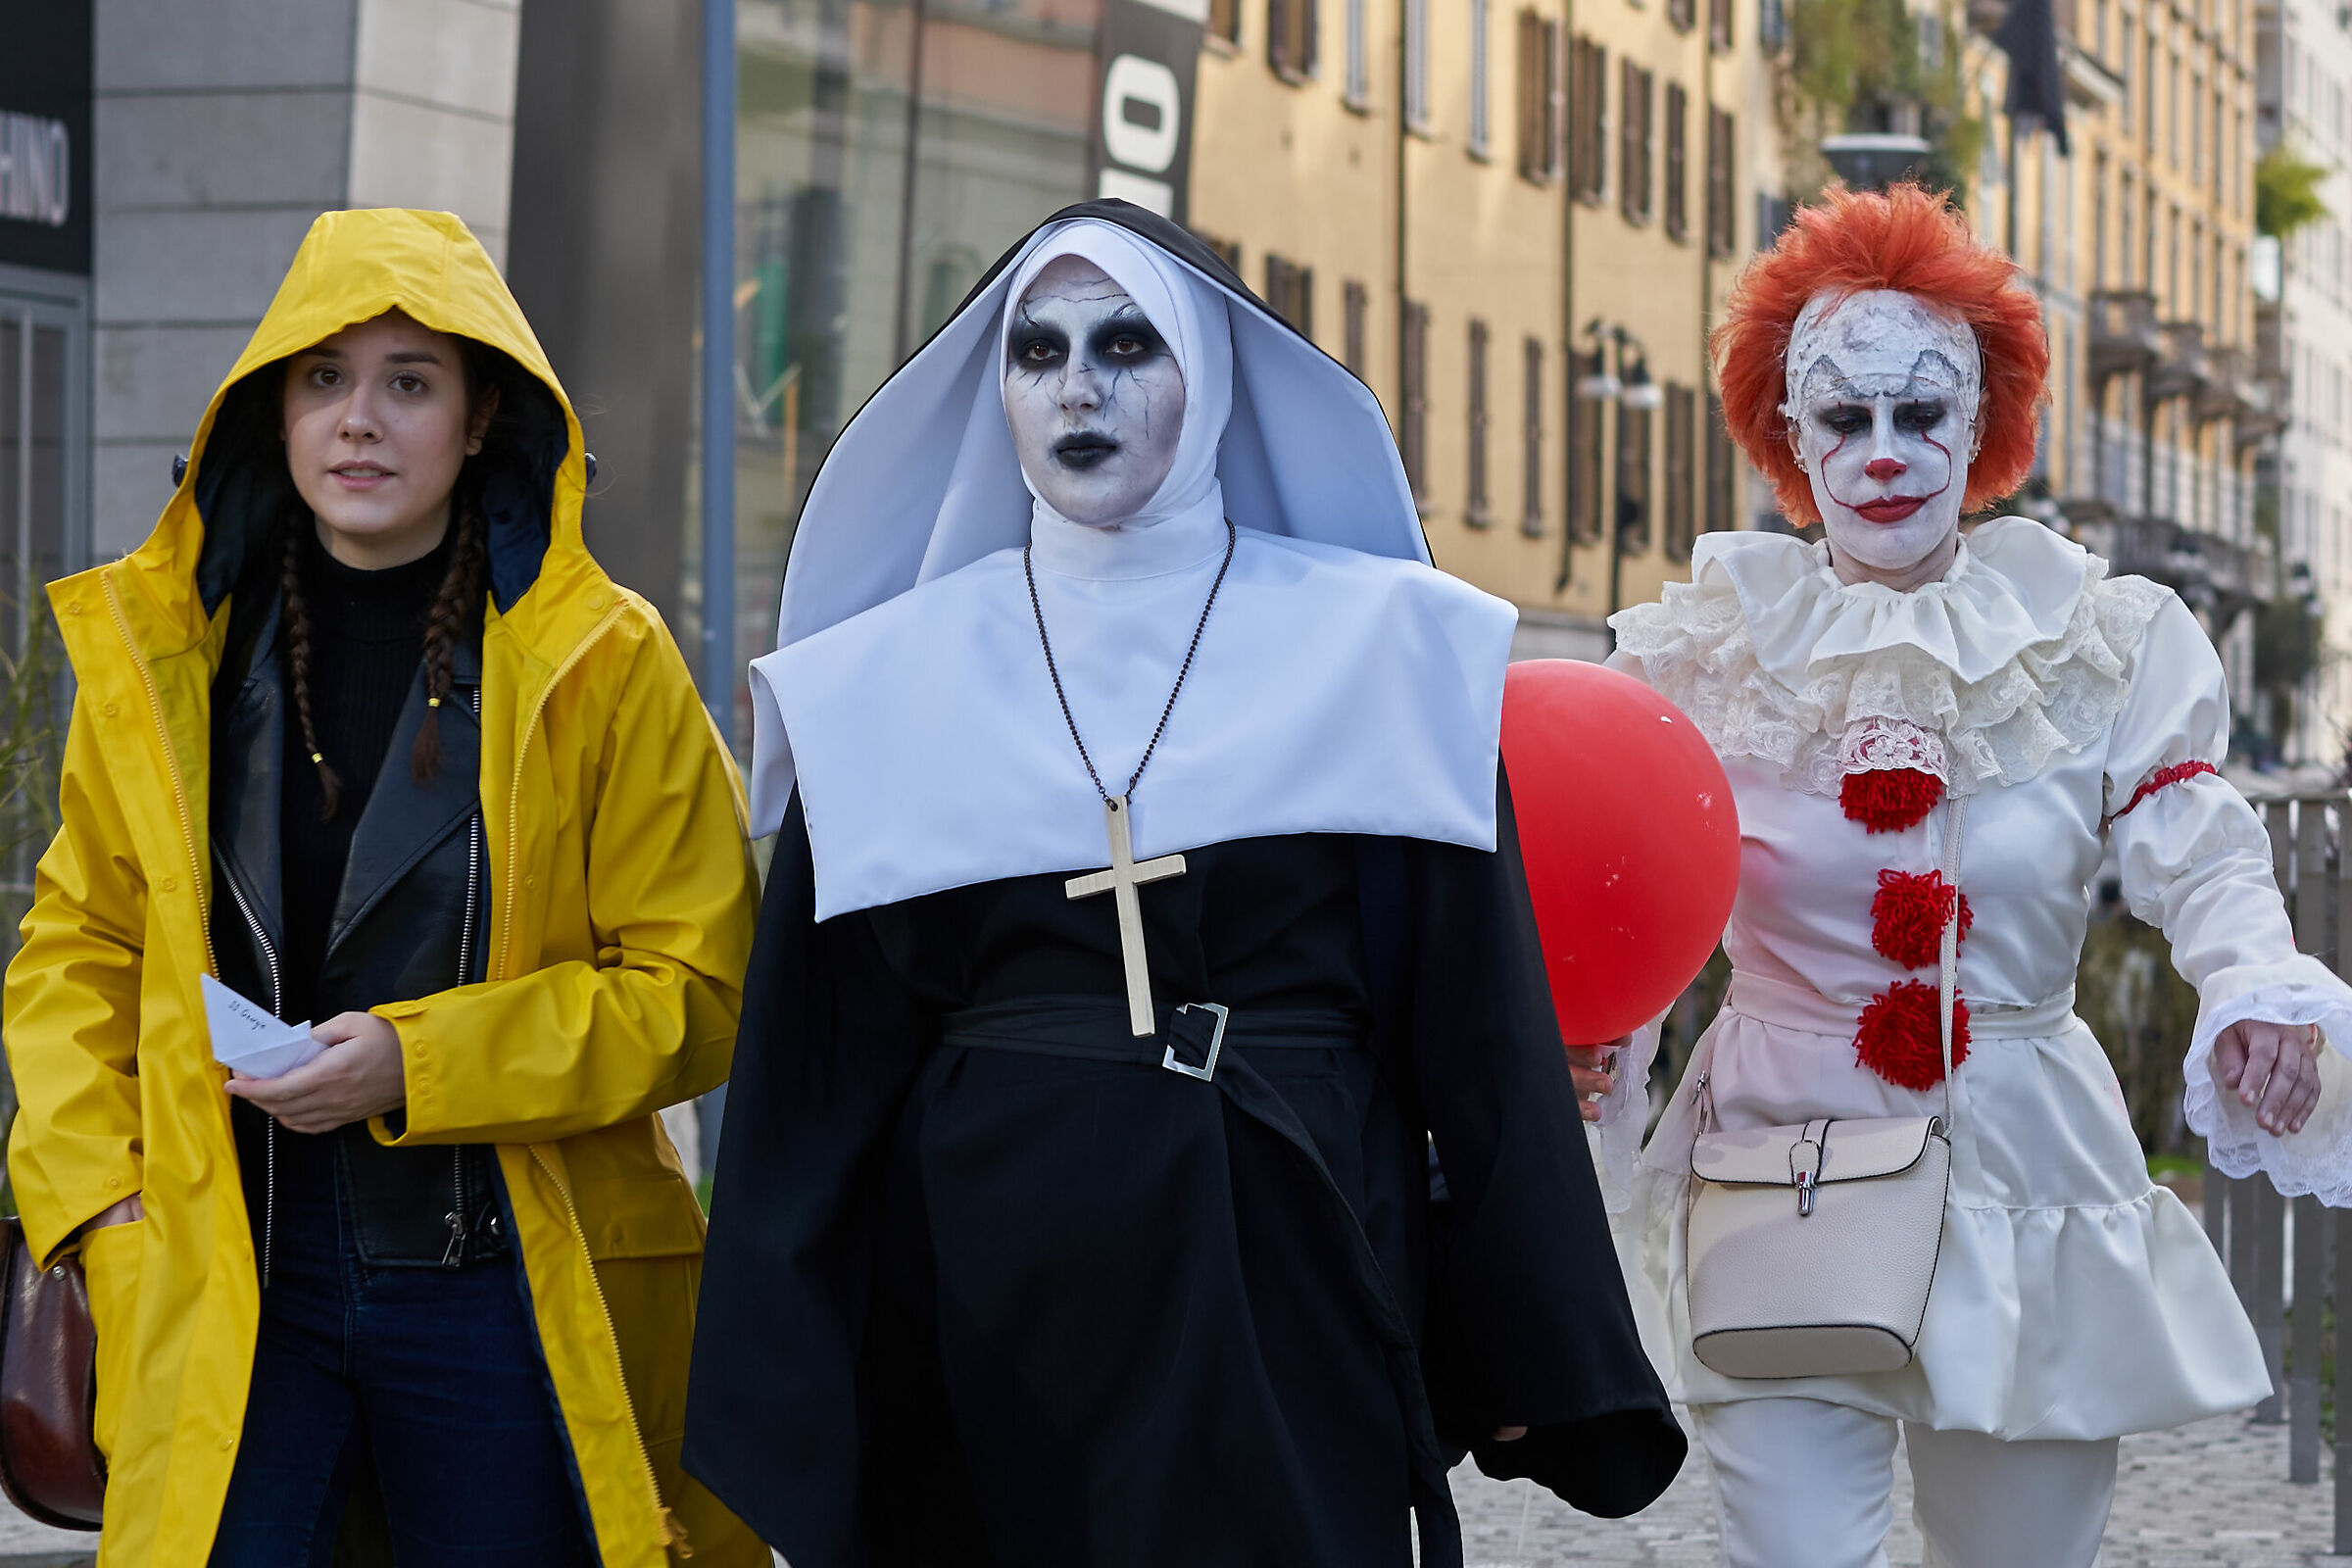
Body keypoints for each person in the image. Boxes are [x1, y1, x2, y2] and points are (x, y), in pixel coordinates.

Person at [680, 200, 1686, 1568]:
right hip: (985, 1290)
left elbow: (1480, 1030)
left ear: (1206, 378)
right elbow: (814, 1073)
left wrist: (1533, 1348)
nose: (1079, 388)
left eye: (1126, 344)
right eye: (1039, 351)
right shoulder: (886, 687)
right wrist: (790, 1373)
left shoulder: (1383, 653)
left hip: (1289, 1265)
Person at [1598, 181, 2352, 1567]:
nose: (1884, 454)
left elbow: (2199, 844)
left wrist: (2254, 984)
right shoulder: (1700, 653)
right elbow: (1628, 887)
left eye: (1921, 413)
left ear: (1984, 421)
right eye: (1844, 416)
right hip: (1782, 1162)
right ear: (1788, 431)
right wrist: (1597, 1046)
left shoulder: (2104, 638)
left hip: (2026, 1167)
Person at [3, 209, 764, 1567]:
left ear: (480, 421)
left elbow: (698, 993)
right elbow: (76, 949)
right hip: (231, 1277)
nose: (360, 420)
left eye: (410, 382)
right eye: (324, 379)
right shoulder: (174, 658)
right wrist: (98, 1198)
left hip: (500, 1294)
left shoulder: (605, 662)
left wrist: (420, 1065)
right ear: (272, 412)